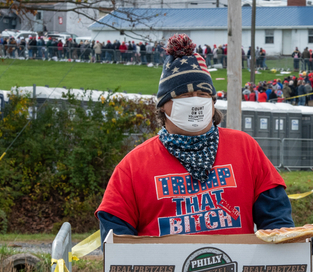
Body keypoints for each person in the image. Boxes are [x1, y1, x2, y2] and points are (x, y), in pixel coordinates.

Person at [96, 34, 293, 237]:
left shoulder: (245, 148)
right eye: (184, 96)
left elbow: (276, 220)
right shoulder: (133, 166)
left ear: (212, 101)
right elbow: (115, 238)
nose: (195, 102)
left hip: (234, 267)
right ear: (163, 105)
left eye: (203, 94)